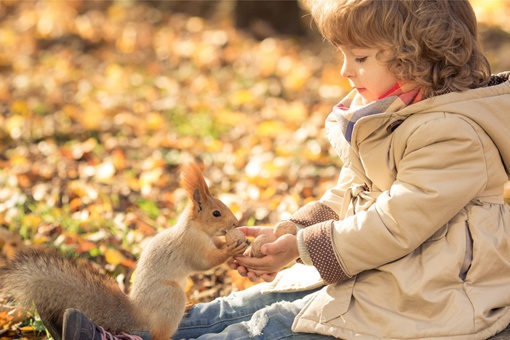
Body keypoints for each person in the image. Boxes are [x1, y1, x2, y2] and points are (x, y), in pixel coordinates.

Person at [62, 0, 510, 339]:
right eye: (342, 54)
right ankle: (134, 329)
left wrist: (303, 247)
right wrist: (292, 230)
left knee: (275, 326)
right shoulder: (391, 112)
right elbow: (352, 192)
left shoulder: (453, 134)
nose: (343, 70)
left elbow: (395, 225)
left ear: (415, 57)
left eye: (360, 57)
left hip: (430, 292)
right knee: (253, 302)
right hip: (383, 270)